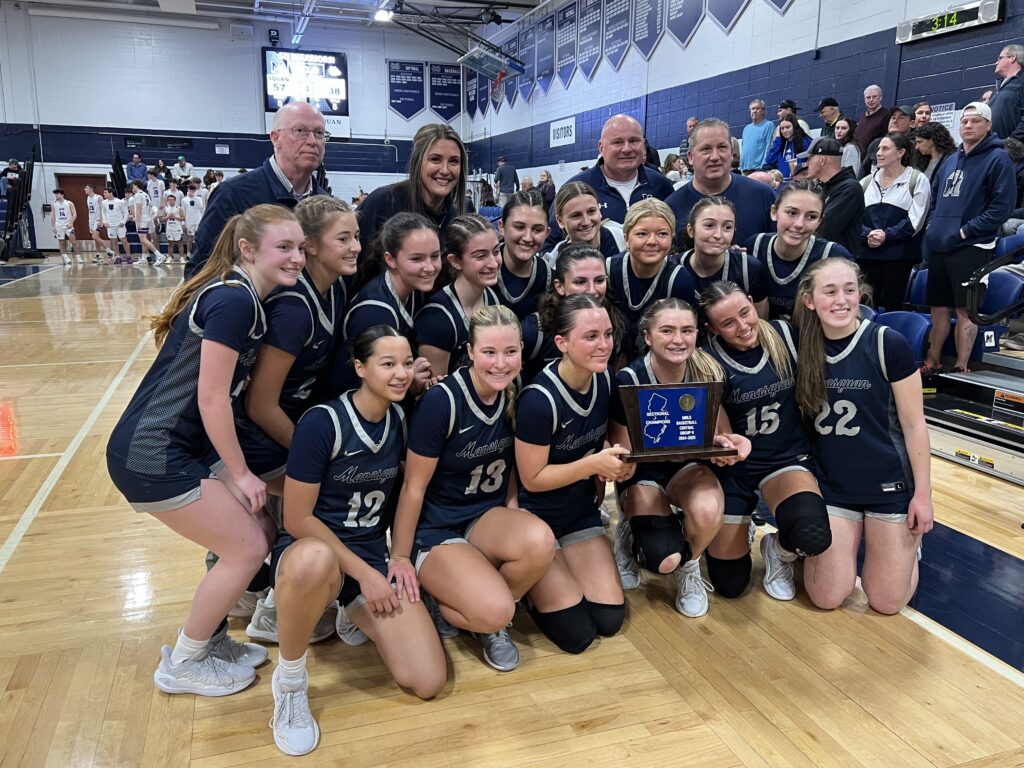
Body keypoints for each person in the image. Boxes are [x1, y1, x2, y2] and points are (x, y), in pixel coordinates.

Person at [105, 204, 305, 697]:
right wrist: (239, 474)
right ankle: (185, 661)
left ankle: (213, 641)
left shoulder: (245, 297)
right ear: (247, 248)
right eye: (284, 247)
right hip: (151, 453)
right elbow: (211, 396)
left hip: (182, 445)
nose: (297, 257)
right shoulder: (234, 300)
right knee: (250, 546)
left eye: (301, 247)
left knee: (259, 526)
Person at [269, 327, 446, 756]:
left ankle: (347, 612)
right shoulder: (322, 422)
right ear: (360, 368)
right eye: (388, 364)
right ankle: (290, 682)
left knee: (427, 681)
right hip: (315, 553)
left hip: (368, 556)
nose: (401, 373)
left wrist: (395, 559)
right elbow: (296, 518)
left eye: (406, 362)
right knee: (315, 560)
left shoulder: (400, 419)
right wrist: (367, 574)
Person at [391, 306, 556, 672]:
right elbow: (413, 488)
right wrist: (400, 557)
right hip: (437, 528)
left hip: (483, 515)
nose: (501, 363)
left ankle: (485, 612)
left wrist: (513, 507)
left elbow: (511, 461)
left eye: (510, 352)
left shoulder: (514, 389)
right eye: (489, 353)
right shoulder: (442, 402)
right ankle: (465, 604)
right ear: (469, 351)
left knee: (540, 540)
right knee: (496, 610)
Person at [793, 258, 933, 615]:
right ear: (810, 300)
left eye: (849, 290)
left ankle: (907, 548)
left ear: (861, 294)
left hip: (888, 486)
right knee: (827, 597)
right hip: (833, 487)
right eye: (830, 291)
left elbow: (915, 425)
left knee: (887, 603)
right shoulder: (799, 347)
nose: (841, 300)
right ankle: (792, 548)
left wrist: (923, 495)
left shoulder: (889, 343)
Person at [608, 298, 750, 616]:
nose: (678, 339)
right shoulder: (628, 380)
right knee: (662, 557)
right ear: (647, 336)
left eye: (687, 330)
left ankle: (691, 568)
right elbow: (622, 455)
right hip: (643, 472)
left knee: (710, 510)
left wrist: (729, 448)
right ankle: (630, 529)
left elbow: (721, 434)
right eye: (667, 330)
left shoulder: (709, 372)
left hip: (686, 468)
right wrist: (624, 470)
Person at [701, 282, 831, 602]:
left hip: (785, 459)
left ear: (751, 302)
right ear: (712, 329)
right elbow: (722, 436)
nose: (743, 326)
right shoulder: (706, 360)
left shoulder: (785, 334)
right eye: (728, 323)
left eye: (745, 313)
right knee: (730, 586)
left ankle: (778, 550)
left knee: (811, 533)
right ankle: (737, 523)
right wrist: (723, 448)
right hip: (735, 468)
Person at [515, 294, 630, 653]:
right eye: (591, 336)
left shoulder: (605, 379)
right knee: (577, 635)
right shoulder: (538, 399)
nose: (604, 345)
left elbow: (616, 436)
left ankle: (563, 568)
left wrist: (625, 462)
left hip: (579, 511)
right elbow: (532, 478)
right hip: (538, 518)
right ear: (562, 343)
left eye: (608, 334)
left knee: (609, 620)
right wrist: (594, 464)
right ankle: (532, 587)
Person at [921, 102, 1015, 374]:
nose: (968, 126)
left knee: (965, 311)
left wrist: (965, 231)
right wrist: (933, 226)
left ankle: (962, 367)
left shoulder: (999, 159)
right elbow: (936, 198)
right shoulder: (951, 159)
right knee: (938, 309)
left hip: (972, 247)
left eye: (975, 121)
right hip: (941, 245)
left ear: (988, 125)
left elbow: (1001, 208)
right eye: (964, 121)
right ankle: (932, 362)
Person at [185, 102, 329, 279]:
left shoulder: (326, 206)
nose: (312, 141)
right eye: (300, 131)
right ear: (275, 138)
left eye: (319, 133)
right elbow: (200, 271)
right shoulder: (233, 194)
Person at [336, 212, 437, 396]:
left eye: (435, 256)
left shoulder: (411, 289)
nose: (429, 267)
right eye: (417, 259)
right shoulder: (375, 312)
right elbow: (370, 390)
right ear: (390, 259)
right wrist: (411, 383)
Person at [545, 115, 675, 247]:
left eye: (634, 141)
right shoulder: (576, 189)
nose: (627, 149)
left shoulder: (661, 185)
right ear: (601, 147)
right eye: (617, 142)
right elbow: (547, 245)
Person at [357, 124, 467, 266]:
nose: (445, 170)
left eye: (454, 161)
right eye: (435, 159)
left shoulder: (454, 218)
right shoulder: (383, 202)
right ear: (417, 162)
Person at [604, 198, 696, 359]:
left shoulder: (679, 279)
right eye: (642, 234)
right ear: (626, 238)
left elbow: (686, 335)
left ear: (671, 238)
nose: (652, 241)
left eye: (662, 234)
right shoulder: (608, 270)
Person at [747, 180, 852, 320]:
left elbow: (850, 316)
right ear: (774, 212)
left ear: (820, 221)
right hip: (762, 337)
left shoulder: (834, 257)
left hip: (815, 339)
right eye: (791, 213)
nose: (799, 224)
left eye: (811, 217)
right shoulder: (753, 246)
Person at [666, 119, 775, 250]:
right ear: (690, 157)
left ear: (731, 152)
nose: (715, 157)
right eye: (706, 149)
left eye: (722, 147)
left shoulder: (763, 196)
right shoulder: (672, 208)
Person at [416, 214, 501, 376]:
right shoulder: (436, 320)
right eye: (481, 255)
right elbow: (436, 395)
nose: (493, 263)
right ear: (455, 261)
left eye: (496, 251)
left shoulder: (493, 298)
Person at [523, 244, 626, 378]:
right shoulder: (534, 331)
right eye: (580, 282)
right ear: (559, 286)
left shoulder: (618, 323)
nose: (592, 290)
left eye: (599, 280)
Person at [859, 133, 931, 311]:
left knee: (893, 306)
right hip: (867, 254)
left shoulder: (917, 180)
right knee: (864, 306)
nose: (879, 153)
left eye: (885, 148)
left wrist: (887, 235)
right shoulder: (866, 182)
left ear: (901, 153)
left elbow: (916, 220)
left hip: (899, 256)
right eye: (878, 149)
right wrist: (867, 234)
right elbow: (854, 218)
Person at [677, 196, 769, 320]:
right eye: (709, 225)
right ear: (691, 230)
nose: (718, 235)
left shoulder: (749, 269)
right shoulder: (673, 268)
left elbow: (760, 325)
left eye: (727, 227)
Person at [802, 137, 865, 256]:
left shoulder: (850, 188)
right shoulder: (819, 186)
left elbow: (823, 229)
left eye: (809, 158)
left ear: (822, 160)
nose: (806, 163)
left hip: (837, 264)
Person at [495, 189, 552, 319]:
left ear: (547, 233)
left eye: (537, 230)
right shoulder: (481, 270)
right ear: (502, 227)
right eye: (519, 227)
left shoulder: (548, 279)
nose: (528, 238)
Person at [546, 181, 626, 261]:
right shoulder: (555, 263)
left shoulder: (623, 240)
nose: (586, 222)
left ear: (599, 211)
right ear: (560, 221)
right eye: (576, 215)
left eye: (591, 211)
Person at [861, 105, 915, 177]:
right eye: (893, 117)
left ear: (912, 124)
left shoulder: (917, 146)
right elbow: (863, 172)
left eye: (901, 118)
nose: (895, 121)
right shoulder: (876, 143)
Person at [988, 44, 1024, 141]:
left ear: (1012, 58)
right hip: (994, 148)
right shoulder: (998, 88)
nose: (996, 63)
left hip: (1014, 150)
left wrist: (1013, 140)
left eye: (1000, 58)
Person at [763, 115, 811, 180]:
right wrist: (777, 139)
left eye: (788, 127)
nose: (785, 131)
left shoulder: (804, 141)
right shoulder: (780, 145)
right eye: (782, 128)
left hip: (802, 181)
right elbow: (769, 160)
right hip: (784, 182)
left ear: (794, 127)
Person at [853, 85, 896, 154]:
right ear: (864, 100)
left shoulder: (887, 115)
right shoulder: (863, 117)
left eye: (874, 97)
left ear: (880, 98)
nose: (871, 100)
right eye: (868, 97)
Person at [128, 180, 162, 264]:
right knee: (143, 239)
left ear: (136, 185)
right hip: (147, 218)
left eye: (133, 186)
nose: (132, 188)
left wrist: (138, 221)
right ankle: (144, 258)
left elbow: (139, 209)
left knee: (143, 239)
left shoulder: (138, 195)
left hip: (142, 219)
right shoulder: (145, 194)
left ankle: (159, 255)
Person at [740, 100, 775, 173]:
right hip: (745, 169)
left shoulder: (768, 125)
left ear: (763, 111)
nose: (755, 111)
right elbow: (744, 148)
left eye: (757, 108)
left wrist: (763, 167)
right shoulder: (746, 129)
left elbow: (768, 146)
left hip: (758, 169)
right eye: (753, 109)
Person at [101, 185, 131, 264]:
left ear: (111, 193)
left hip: (119, 225)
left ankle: (128, 256)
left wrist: (123, 222)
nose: (103, 194)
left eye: (105, 192)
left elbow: (126, 212)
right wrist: (104, 222)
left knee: (124, 240)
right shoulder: (104, 202)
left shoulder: (120, 202)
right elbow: (103, 212)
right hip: (110, 225)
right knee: (114, 241)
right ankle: (118, 256)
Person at [84, 184, 113, 263]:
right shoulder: (88, 198)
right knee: (96, 239)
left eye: (86, 188)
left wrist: (101, 220)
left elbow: (102, 209)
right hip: (91, 220)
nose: (84, 189)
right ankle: (98, 255)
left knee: (95, 236)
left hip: (98, 220)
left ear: (91, 189)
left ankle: (109, 251)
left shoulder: (98, 197)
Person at [51, 188, 79, 266]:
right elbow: (52, 216)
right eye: (55, 194)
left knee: (73, 241)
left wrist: (71, 222)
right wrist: (53, 226)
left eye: (57, 194)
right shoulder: (54, 204)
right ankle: (65, 256)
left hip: (68, 226)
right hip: (59, 226)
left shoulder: (69, 203)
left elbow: (74, 214)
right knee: (61, 242)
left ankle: (78, 256)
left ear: (62, 194)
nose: (56, 195)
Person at [182, 184, 206, 260]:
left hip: (198, 221)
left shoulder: (198, 199)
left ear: (195, 191)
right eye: (190, 190)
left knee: (199, 237)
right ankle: (188, 254)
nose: (191, 192)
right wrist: (183, 223)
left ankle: (198, 253)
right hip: (189, 221)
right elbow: (183, 211)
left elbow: (201, 207)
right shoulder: (184, 200)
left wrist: (195, 198)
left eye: (193, 190)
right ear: (188, 190)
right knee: (190, 238)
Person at [162, 194, 187, 263]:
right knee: (170, 244)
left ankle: (181, 258)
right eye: (169, 200)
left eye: (172, 200)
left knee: (180, 243)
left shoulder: (179, 208)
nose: (171, 201)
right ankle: (170, 257)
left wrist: (175, 217)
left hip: (177, 228)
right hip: (169, 228)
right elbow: (162, 218)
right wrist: (167, 217)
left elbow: (184, 218)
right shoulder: (166, 208)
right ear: (167, 201)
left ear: (175, 200)